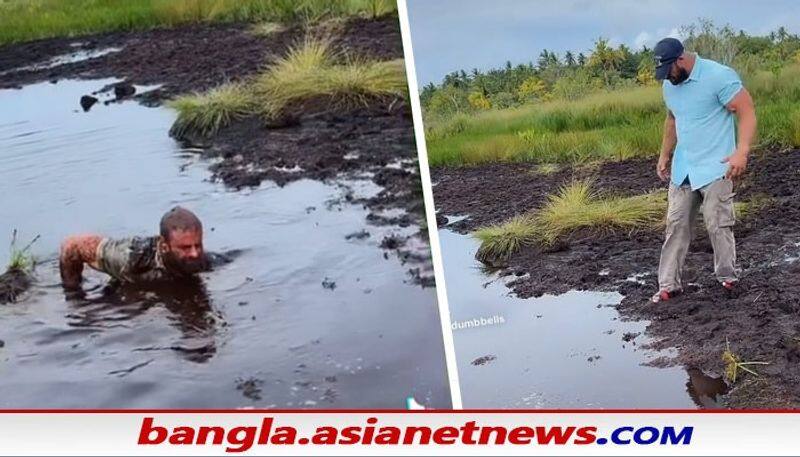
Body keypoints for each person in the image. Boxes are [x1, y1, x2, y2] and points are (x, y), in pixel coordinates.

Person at [651, 38, 757, 303]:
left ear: (681, 60)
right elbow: (672, 118)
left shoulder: (718, 76)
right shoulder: (669, 85)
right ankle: (668, 285)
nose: (667, 78)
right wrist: (665, 155)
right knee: (675, 225)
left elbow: (746, 109)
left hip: (716, 164)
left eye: (669, 71)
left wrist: (741, 152)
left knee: (717, 222)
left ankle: (728, 277)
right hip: (684, 168)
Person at [59, 206, 210, 290]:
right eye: (185, 248)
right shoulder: (130, 257)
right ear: (164, 246)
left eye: (198, 245)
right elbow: (72, 245)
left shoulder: (202, 259)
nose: (194, 253)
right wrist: (74, 292)